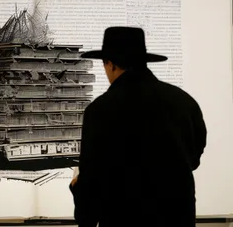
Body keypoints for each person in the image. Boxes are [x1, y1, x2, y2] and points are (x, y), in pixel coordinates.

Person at [69, 27, 207, 227]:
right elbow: (193, 159)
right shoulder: (184, 102)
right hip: (178, 218)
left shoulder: (100, 110)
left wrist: (81, 204)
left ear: (110, 64)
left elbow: (92, 180)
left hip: (124, 219)